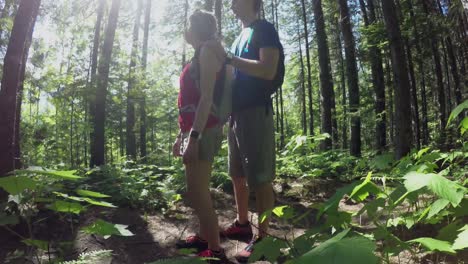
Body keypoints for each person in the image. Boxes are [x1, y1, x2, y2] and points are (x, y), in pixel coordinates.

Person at [210, 0, 282, 262]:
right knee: (236, 174)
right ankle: (242, 223)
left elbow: (268, 69)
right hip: (236, 113)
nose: (231, 3)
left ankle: (263, 239)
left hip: (255, 109)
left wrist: (229, 58)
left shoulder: (264, 29)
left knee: (260, 178)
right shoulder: (241, 34)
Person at [172, 10, 229, 263]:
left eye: (188, 26)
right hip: (193, 129)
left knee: (199, 190)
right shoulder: (199, 53)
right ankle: (205, 237)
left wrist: (193, 138)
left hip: (204, 129)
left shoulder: (207, 52)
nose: (185, 30)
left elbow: (206, 98)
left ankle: (215, 249)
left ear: (196, 29)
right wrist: (180, 136)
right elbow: (190, 101)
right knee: (194, 190)